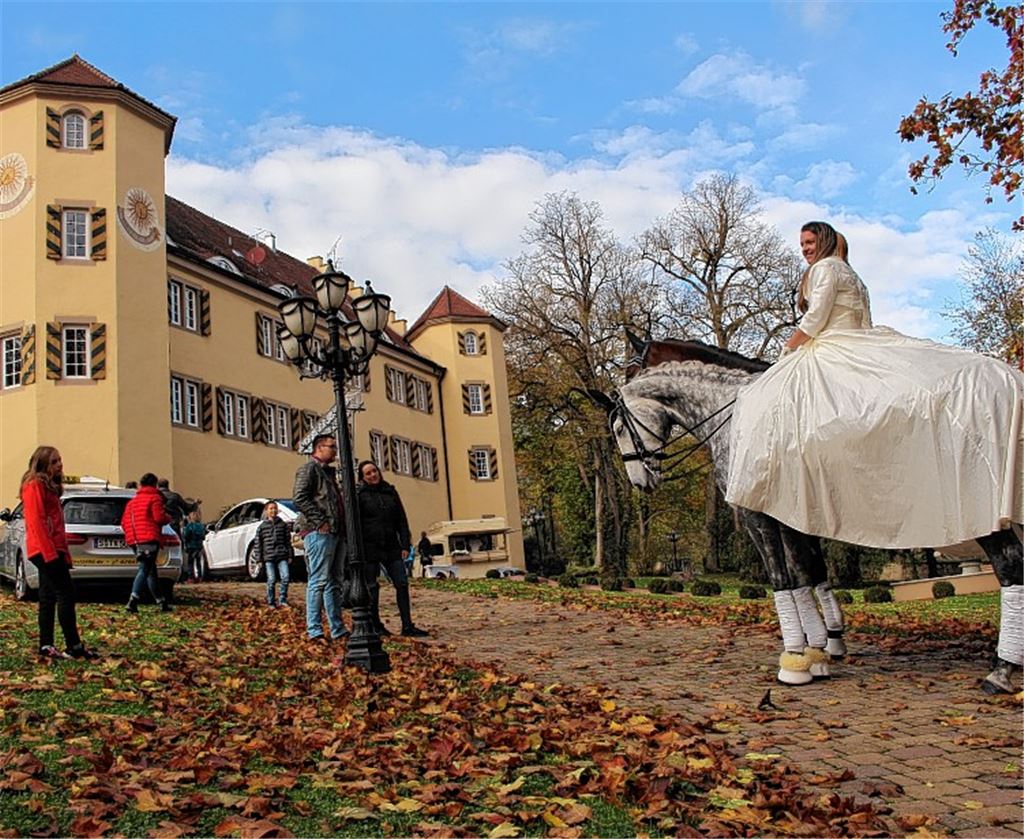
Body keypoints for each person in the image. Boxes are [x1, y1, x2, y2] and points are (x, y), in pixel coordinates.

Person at [726, 221, 1023, 689]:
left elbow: (814, 321)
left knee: (773, 409)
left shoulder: (825, 269)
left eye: (808, 242)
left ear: (823, 242)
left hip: (832, 352)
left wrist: (785, 354)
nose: (804, 251)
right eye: (801, 245)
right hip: (859, 346)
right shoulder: (853, 275)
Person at [20, 446, 98, 661]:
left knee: (48, 596)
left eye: (60, 460)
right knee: (66, 593)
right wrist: (50, 554)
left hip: (51, 548)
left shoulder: (49, 487)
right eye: (54, 461)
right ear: (43, 463)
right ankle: (73, 645)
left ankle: (46, 645)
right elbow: (36, 521)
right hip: (45, 549)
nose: (60, 465)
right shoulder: (34, 485)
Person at [356, 460, 428, 637]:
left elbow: (401, 519)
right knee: (372, 586)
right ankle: (375, 624)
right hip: (370, 546)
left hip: (391, 545)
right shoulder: (360, 494)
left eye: (374, 471)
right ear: (363, 477)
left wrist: (404, 544)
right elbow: (356, 523)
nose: (373, 475)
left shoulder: (390, 491)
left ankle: (407, 625)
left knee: (402, 583)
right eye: (368, 473)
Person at [293, 434, 348, 642]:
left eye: (335, 446)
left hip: (335, 531)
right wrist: (319, 522)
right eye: (331, 447)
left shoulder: (328, 474)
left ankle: (337, 628)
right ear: (318, 448)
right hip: (320, 532)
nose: (335, 451)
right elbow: (299, 497)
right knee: (319, 581)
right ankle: (314, 630)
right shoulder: (309, 469)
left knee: (334, 581)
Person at [122, 473, 173, 613]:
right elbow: (159, 517)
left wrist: (132, 535)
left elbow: (123, 522)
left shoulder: (132, 502)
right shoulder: (154, 498)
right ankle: (133, 600)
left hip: (134, 538)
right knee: (145, 568)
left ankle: (161, 601)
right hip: (148, 538)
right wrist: (169, 518)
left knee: (151, 570)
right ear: (154, 484)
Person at [253, 501, 293, 607]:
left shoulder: (283, 525)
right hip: (268, 557)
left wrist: (289, 555)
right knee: (271, 579)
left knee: (285, 577)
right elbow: (258, 544)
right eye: (271, 509)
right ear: (266, 511)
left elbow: (287, 541)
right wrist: (259, 559)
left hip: (282, 555)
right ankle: (271, 601)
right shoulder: (262, 527)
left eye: (275, 508)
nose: (273, 511)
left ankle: (282, 599)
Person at [181, 510, 206, 583]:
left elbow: (186, 536)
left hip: (191, 546)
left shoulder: (190, 526)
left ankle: (191, 577)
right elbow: (203, 537)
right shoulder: (201, 526)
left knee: (190, 563)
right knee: (198, 562)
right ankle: (200, 576)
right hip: (199, 546)